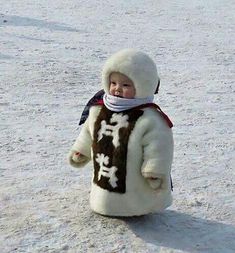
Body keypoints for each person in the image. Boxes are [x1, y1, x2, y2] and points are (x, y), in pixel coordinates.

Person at [68, 49, 174, 216]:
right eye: (113, 83)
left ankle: (134, 208)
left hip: (135, 196)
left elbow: (159, 147)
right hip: (103, 187)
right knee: (104, 186)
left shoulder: (149, 119)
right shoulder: (99, 110)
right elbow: (89, 132)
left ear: (142, 85)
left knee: (130, 188)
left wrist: (155, 170)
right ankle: (105, 204)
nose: (117, 89)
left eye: (125, 85)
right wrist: (81, 150)